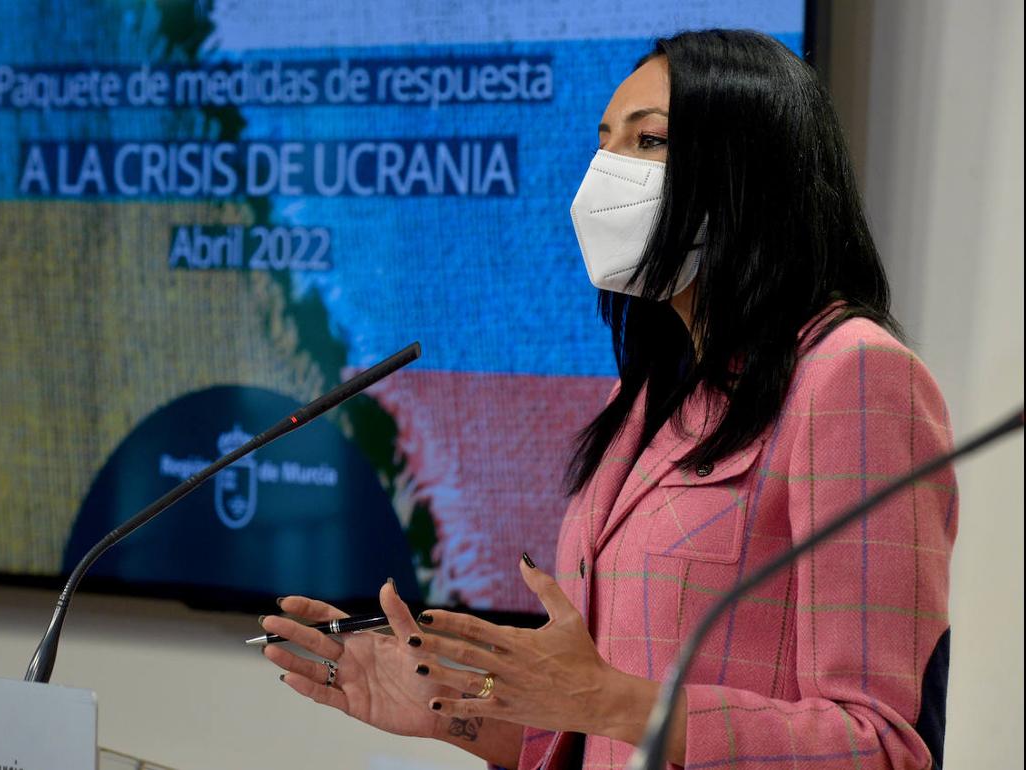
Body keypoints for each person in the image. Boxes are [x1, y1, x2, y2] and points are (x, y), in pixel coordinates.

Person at [260, 29, 956, 770]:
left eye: (648, 140)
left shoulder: (854, 378)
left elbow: (884, 747)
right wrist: (447, 704)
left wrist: (608, 699)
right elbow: (595, 728)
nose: (607, 172)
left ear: (750, 169)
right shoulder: (650, 393)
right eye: (603, 143)